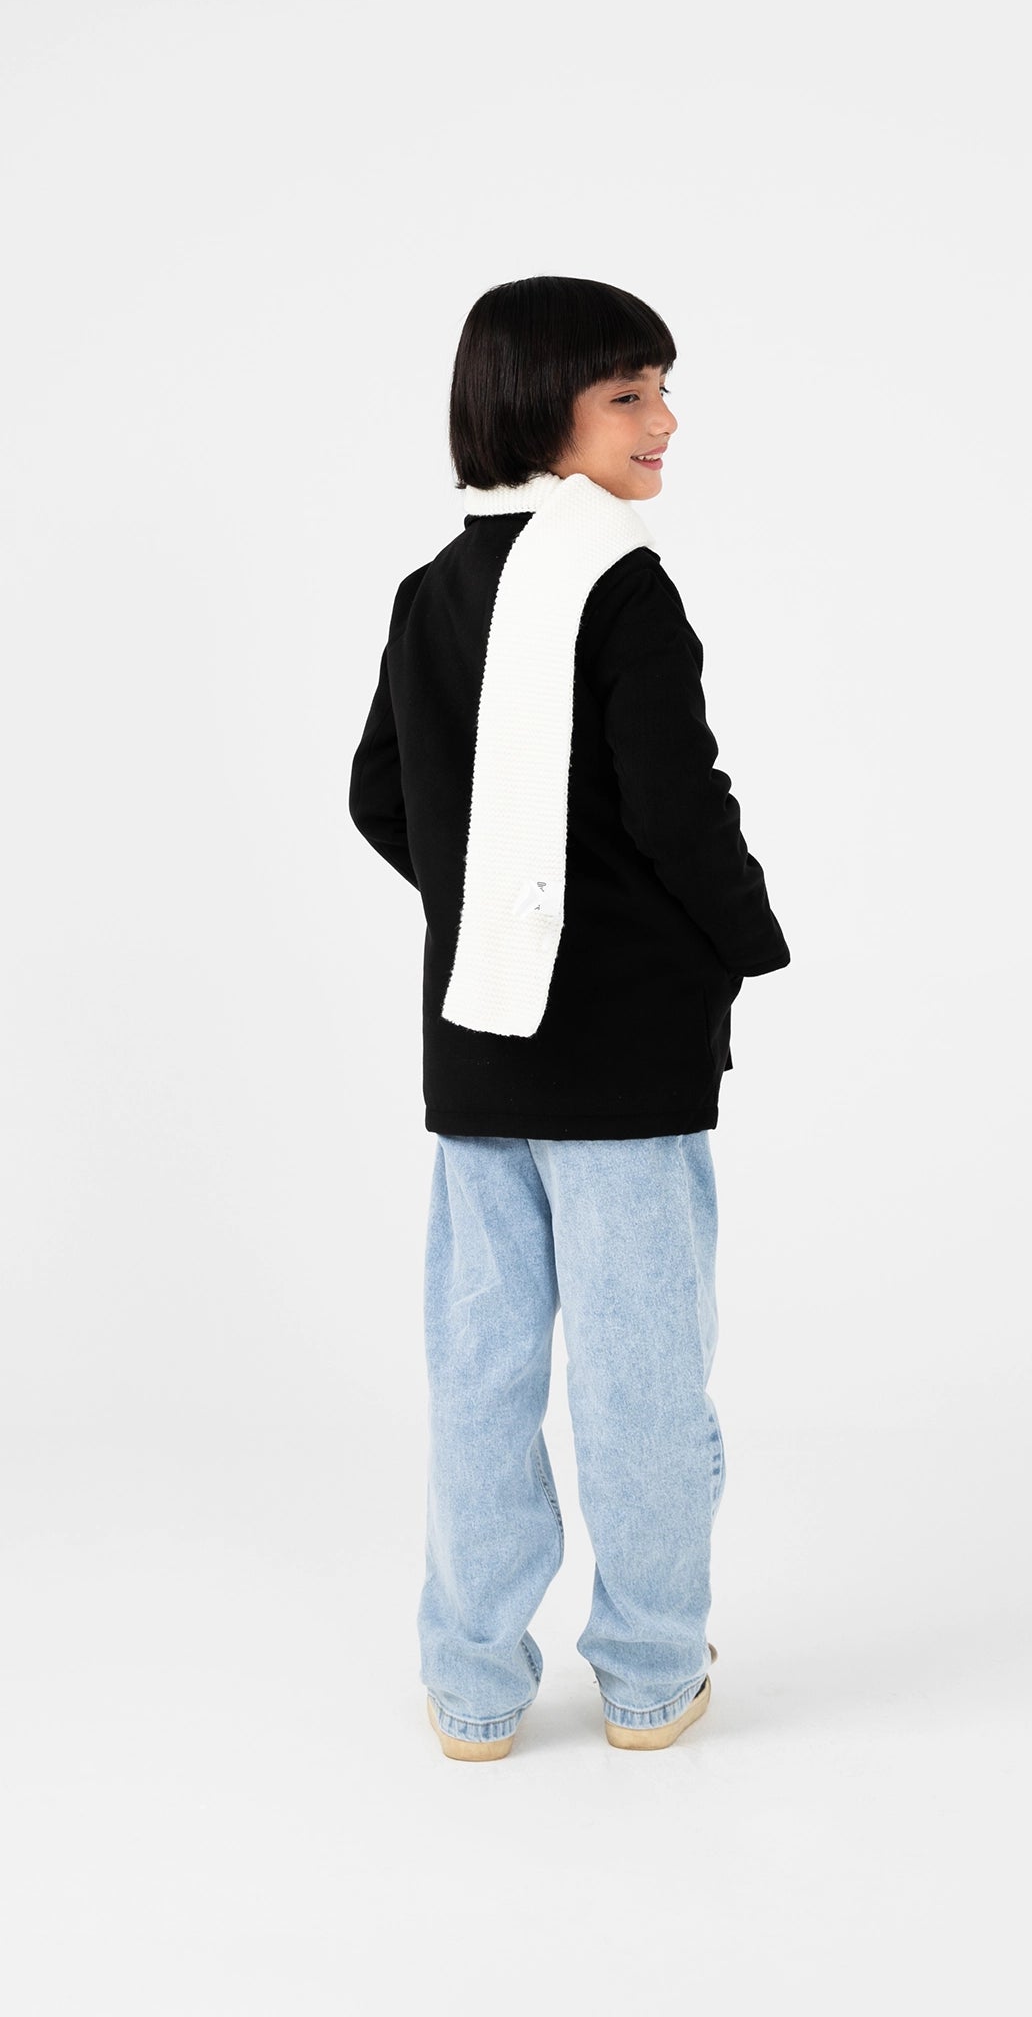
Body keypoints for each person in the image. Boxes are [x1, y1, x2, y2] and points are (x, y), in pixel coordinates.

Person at [348, 275, 791, 1760]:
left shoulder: (432, 590)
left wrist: (487, 911)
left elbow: (379, 795)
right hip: (623, 1053)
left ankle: (474, 1689)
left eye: (662, 387)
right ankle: (652, 1677)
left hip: (480, 1050)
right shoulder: (621, 581)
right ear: (544, 409)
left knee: (481, 1375)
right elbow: (679, 806)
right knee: (640, 1375)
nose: (665, 420)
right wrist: (742, 942)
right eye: (629, 393)